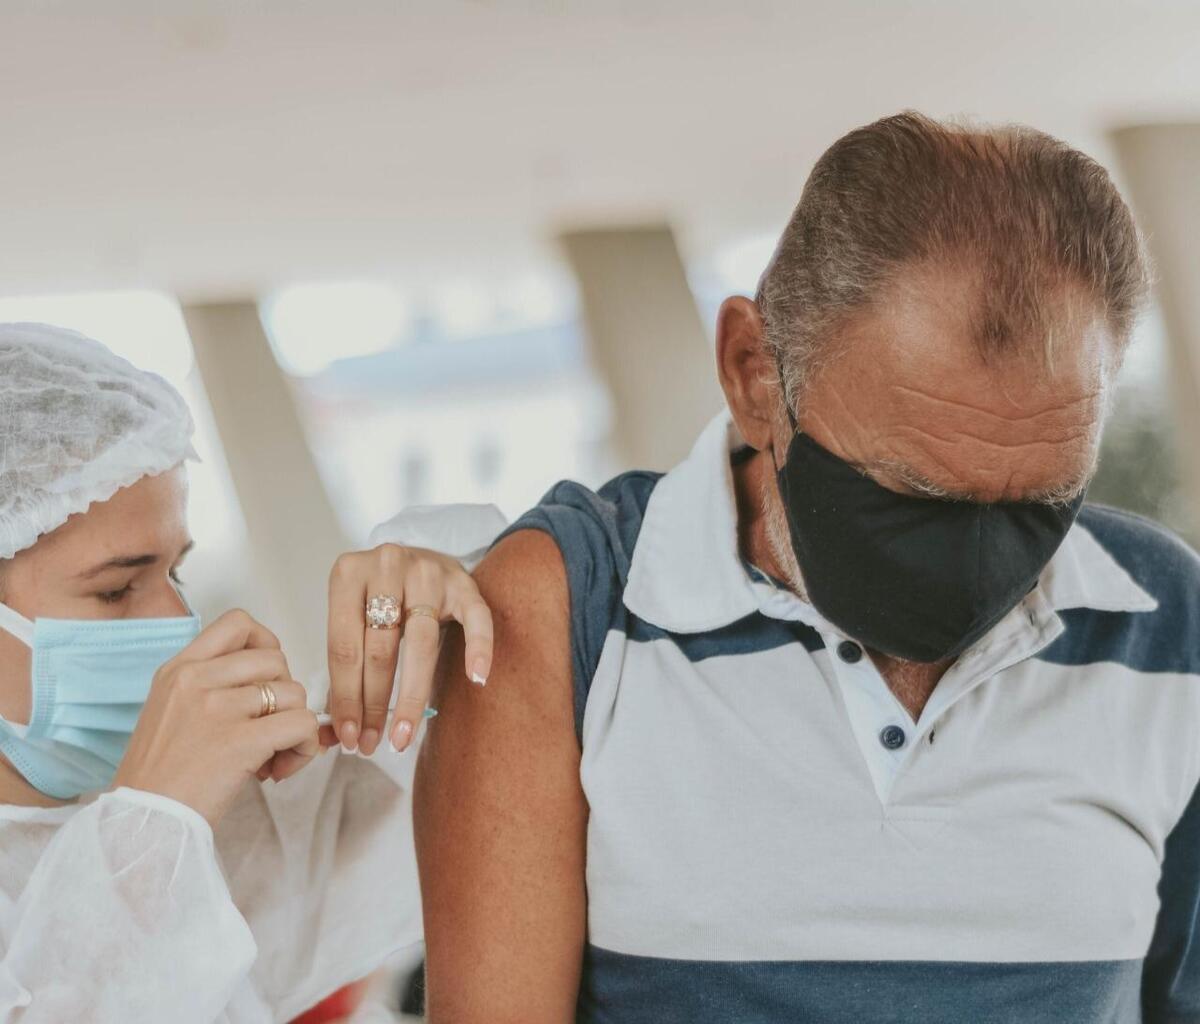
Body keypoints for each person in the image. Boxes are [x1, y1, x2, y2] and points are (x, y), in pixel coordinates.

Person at [415, 112, 1200, 1023]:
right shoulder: (566, 610)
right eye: (910, 495)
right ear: (754, 373)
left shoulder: (1166, 622)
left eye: (1040, 502)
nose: (979, 567)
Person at [0, 322, 493, 1022]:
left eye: (176, 573)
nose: (179, 625)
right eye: (115, 590)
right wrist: (150, 823)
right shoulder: (158, 823)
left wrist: (437, 611)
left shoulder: (215, 832)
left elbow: (437, 800)